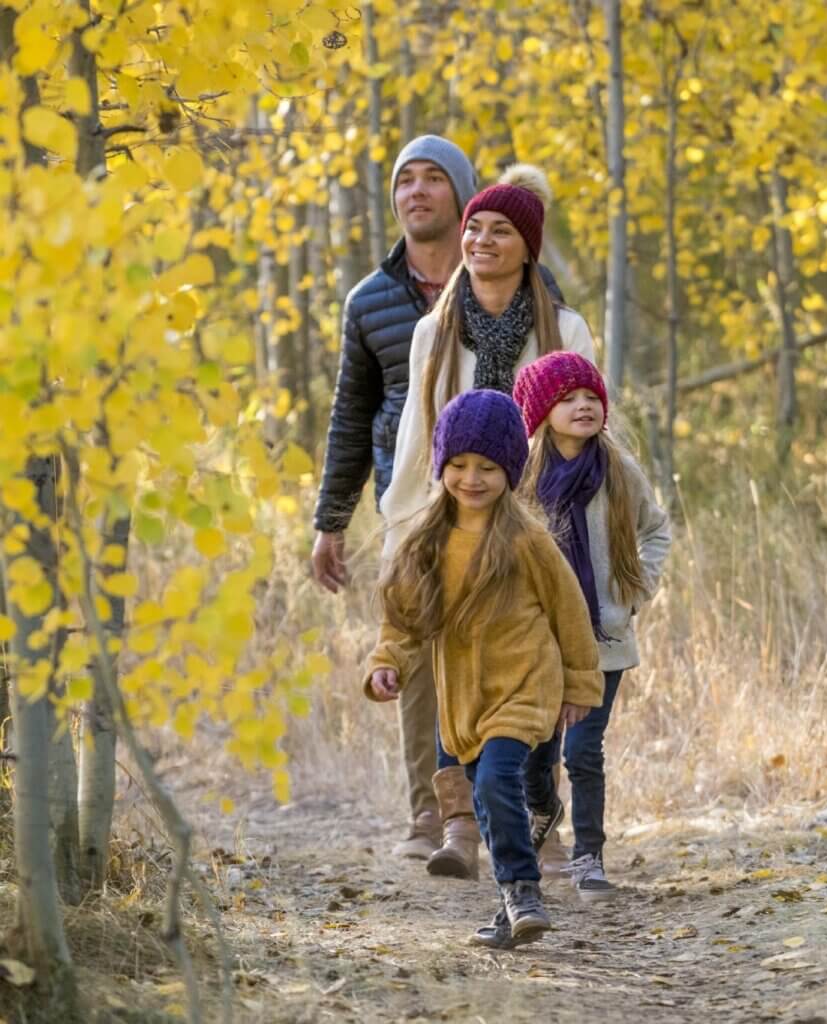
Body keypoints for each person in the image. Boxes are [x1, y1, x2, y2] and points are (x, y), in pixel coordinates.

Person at [380, 164, 596, 877]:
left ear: (528, 247)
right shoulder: (431, 332)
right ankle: (457, 827)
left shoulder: (562, 328)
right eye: (473, 227)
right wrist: (400, 528)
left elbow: (583, 435)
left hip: (537, 530)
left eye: (500, 230)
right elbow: (417, 440)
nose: (479, 240)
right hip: (453, 521)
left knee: (533, 670)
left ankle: (543, 825)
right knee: (452, 676)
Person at [364, 390, 603, 947]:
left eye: (488, 467)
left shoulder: (528, 540)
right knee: (492, 800)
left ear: (510, 472)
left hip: (525, 684)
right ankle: (508, 904)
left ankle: (522, 892)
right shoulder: (425, 542)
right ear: (442, 465)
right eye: (459, 465)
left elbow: (571, 614)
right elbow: (403, 621)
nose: (472, 478)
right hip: (464, 702)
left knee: (497, 782)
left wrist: (580, 684)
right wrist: (387, 662)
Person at [312, 135, 479, 859]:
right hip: (407, 501)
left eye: (432, 179)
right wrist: (330, 522)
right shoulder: (370, 299)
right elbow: (350, 413)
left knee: (514, 650)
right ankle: (431, 815)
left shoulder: (507, 275)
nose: (415, 192)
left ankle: (533, 819)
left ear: (462, 193)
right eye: (404, 181)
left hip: (502, 497)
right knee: (413, 653)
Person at [512, 352, 671, 898]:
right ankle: (542, 807)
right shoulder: (521, 476)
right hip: (541, 642)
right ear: (540, 411)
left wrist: (632, 594)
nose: (583, 406)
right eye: (568, 398)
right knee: (537, 752)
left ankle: (589, 857)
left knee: (583, 751)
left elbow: (657, 531)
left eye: (591, 397)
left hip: (603, 637)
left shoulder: (618, 469)